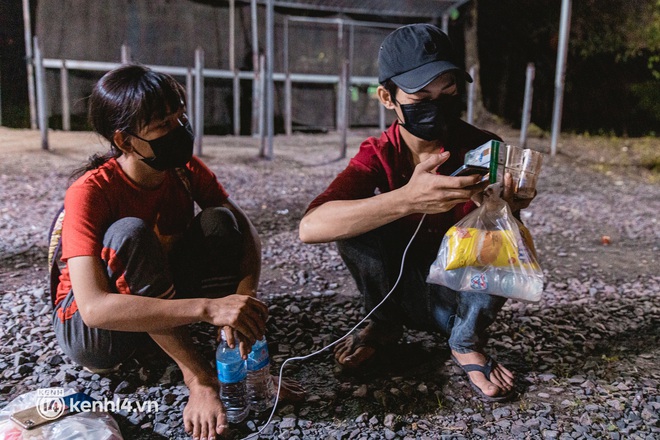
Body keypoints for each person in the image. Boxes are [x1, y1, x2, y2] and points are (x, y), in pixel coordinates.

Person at [52, 64, 302, 440]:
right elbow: (93, 307)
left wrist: (242, 300)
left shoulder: (181, 170)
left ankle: (222, 343)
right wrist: (207, 318)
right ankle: (196, 372)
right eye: (162, 125)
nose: (179, 130)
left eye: (179, 117)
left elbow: (243, 228)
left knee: (218, 219)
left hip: (157, 295)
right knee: (129, 234)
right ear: (124, 141)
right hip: (97, 333)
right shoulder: (90, 192)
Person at [299, 24, 535, 401]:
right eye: (421, 95)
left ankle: (465, 341)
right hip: (396, 291)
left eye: (448, 92)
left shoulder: (482, 149)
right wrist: (406, 199)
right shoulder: (378, 153)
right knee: (353, 220)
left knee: (501, 234)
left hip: (455, 300)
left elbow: (505, 249)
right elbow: (311, 227)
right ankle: (383, 325)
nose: (437, 105)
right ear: (387, 97)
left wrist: (507, 209)